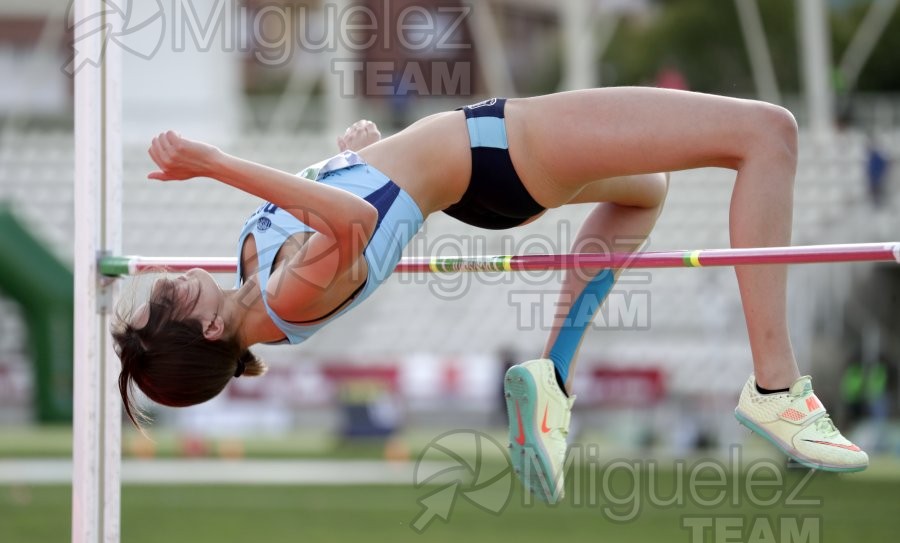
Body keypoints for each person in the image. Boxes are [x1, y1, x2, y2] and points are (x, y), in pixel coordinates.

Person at [114, 88, 868, 504]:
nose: (161, 288)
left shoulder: (253, 271)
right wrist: (215, 162)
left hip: (485, 167)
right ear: (208, 330)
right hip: (499, 152)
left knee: (647, 190)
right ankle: (776, 385)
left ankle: (554, 380)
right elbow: (354, 219)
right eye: (162, 305)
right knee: (768, 134)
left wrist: (358, 153)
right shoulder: (288, 301)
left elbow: (352, 196)